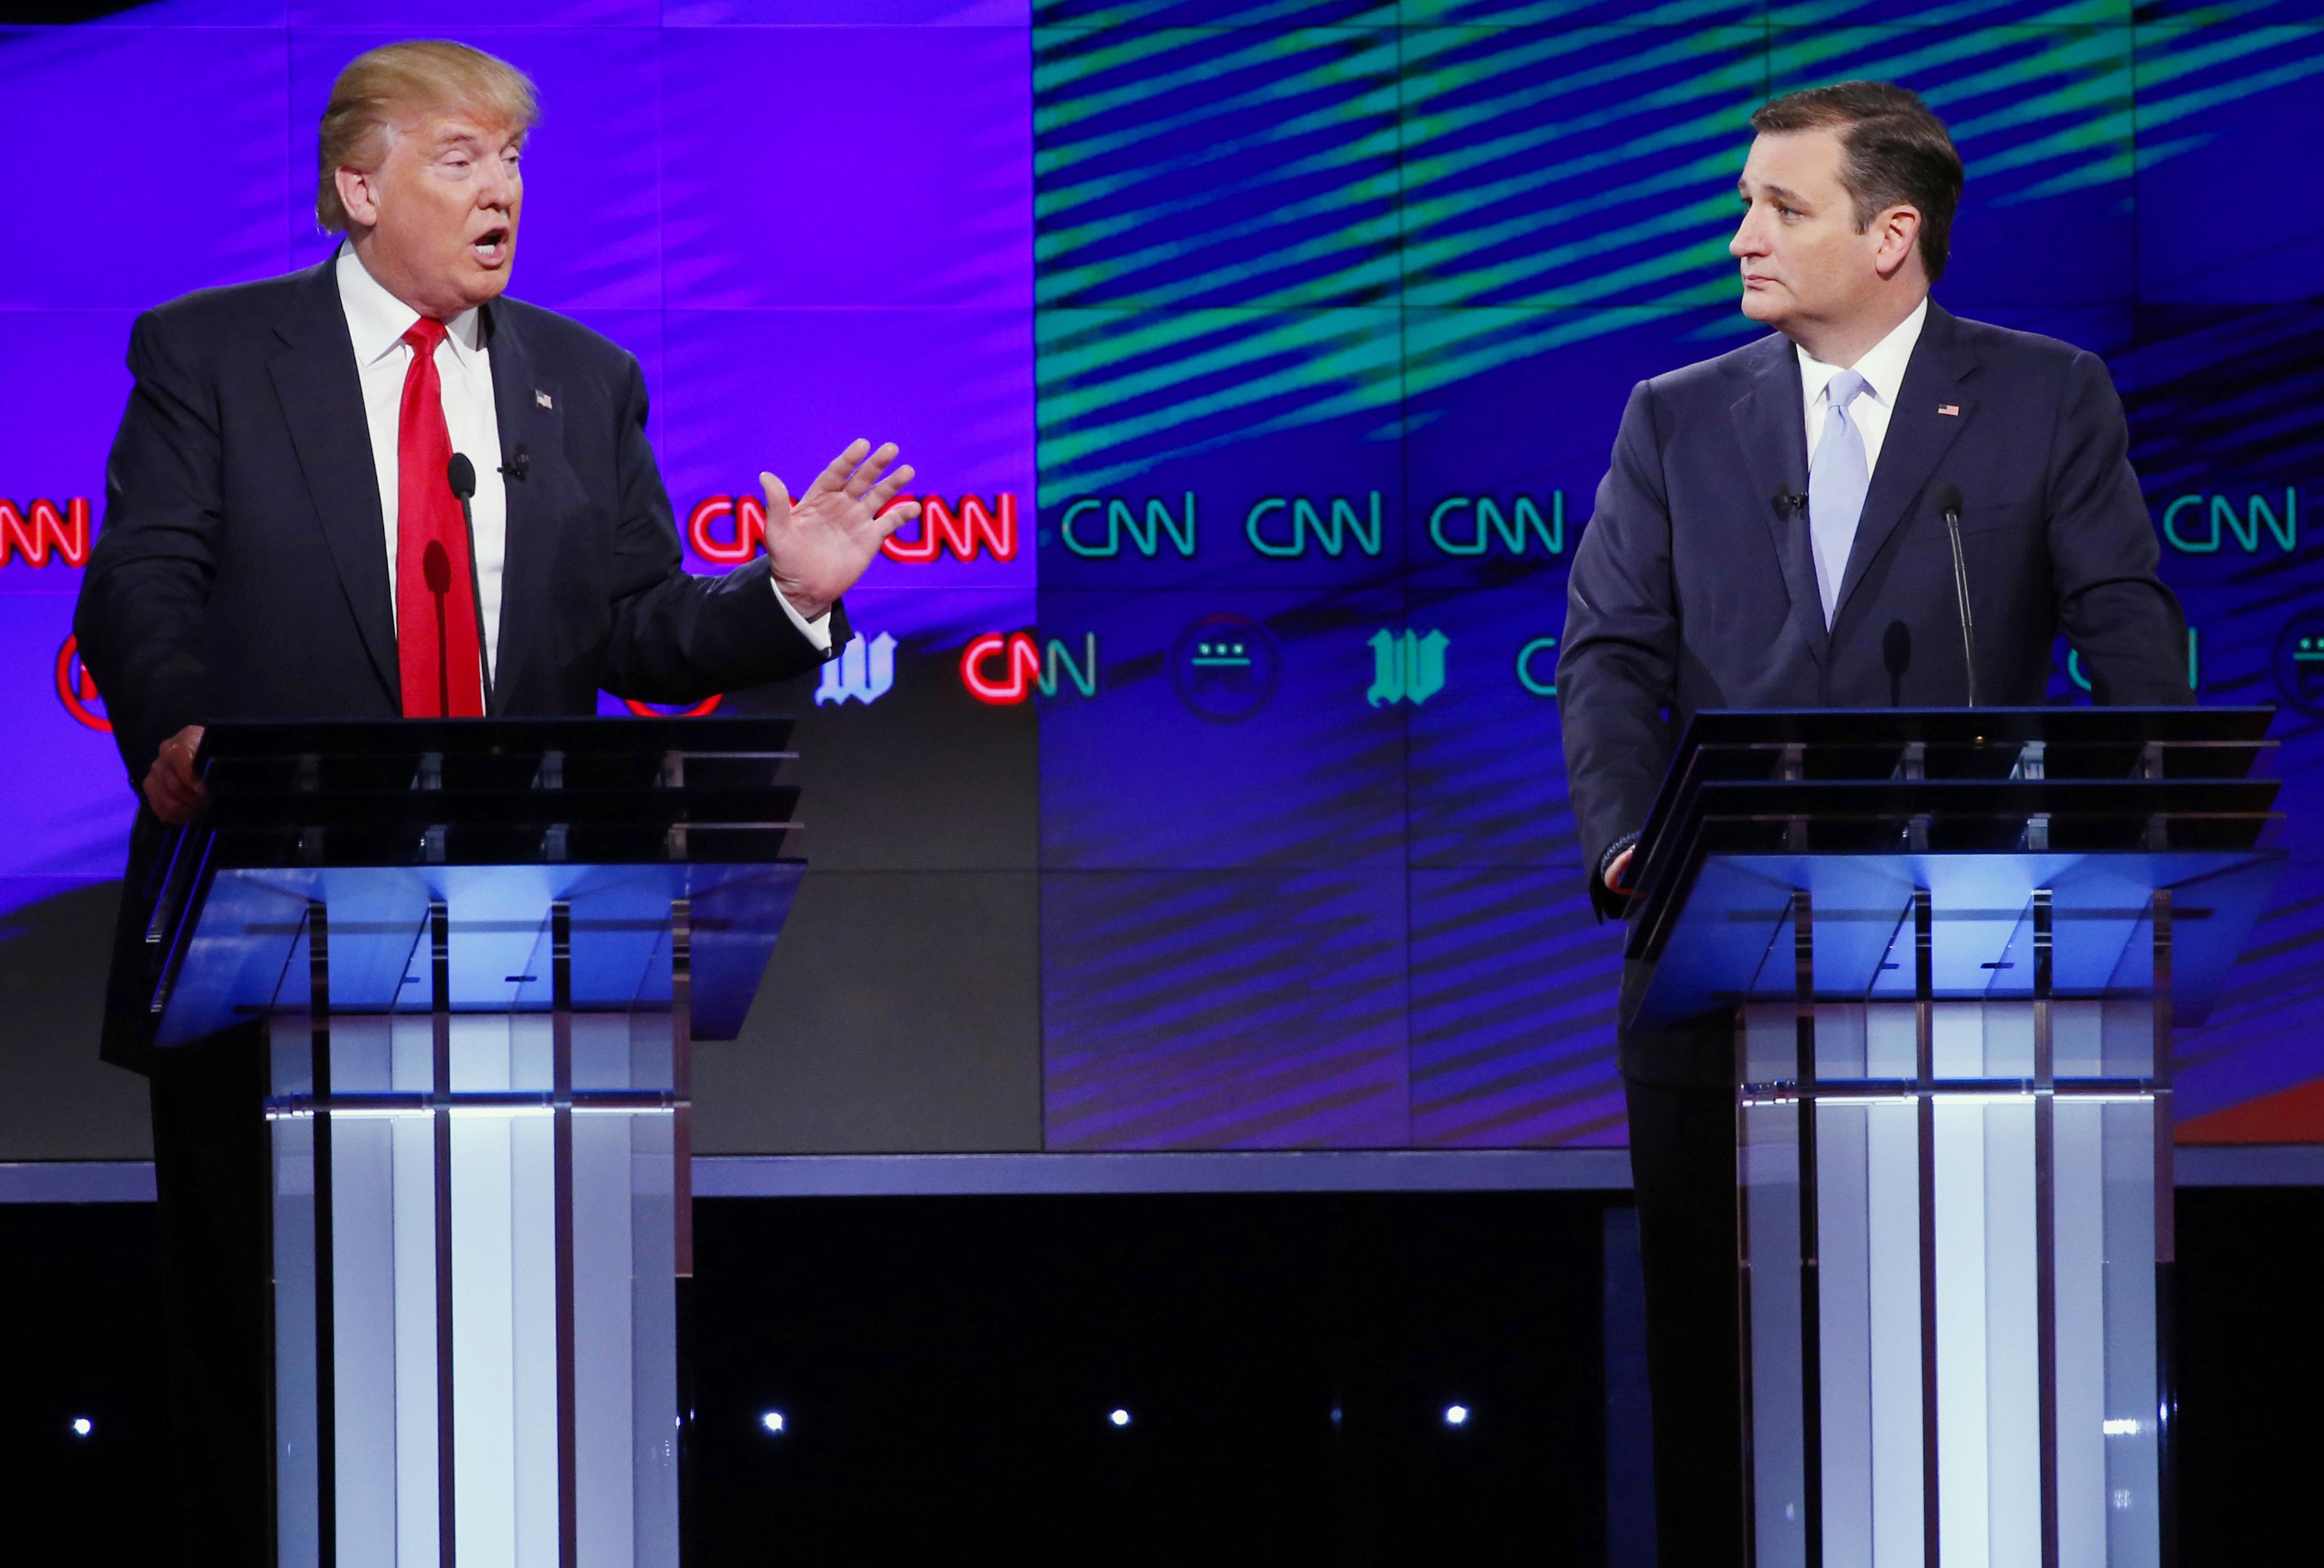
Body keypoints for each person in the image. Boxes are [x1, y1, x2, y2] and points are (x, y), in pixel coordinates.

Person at [72, 40, 920, 1556]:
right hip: (268, 940)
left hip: (517, 952)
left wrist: (784, 605)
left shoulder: (579, 380)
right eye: (460, 158)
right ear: (357, 184)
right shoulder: (208, 352)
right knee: (269, 1374)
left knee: (517, 1370)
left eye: (514, 162)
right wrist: (177, 728)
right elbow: (142, 576)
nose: (501, 192)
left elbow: (636, 635)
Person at [1554, 81, 2188, 1565]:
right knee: (1724, 1395)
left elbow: (2124, 625)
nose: (1740, 239)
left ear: (1893, 234)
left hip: (1971, 973)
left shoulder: (2045, 396)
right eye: (1744, 203)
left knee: (1955, 1401)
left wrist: (2145, 816)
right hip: (1722, 959)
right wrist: (1629, 846)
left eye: (1782, 207)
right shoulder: (1677, 415)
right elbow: (1610, 658)